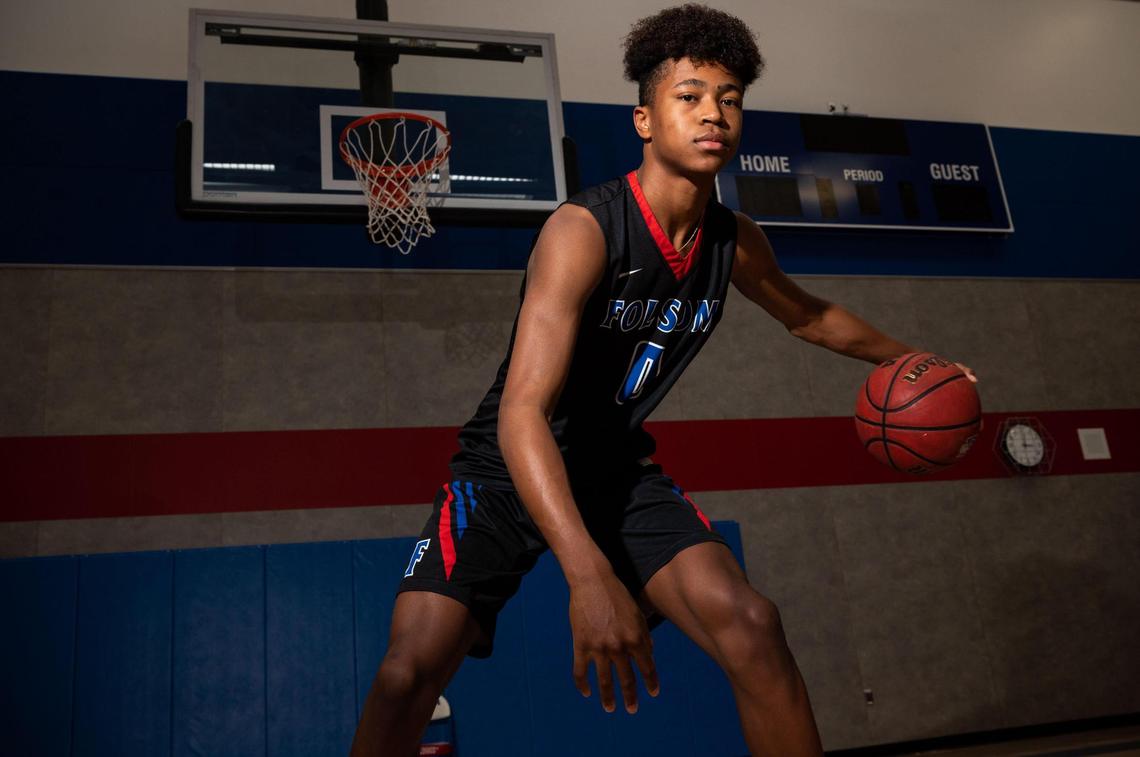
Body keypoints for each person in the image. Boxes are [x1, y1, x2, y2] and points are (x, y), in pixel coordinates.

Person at [351, 5, 974, 756]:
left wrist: (916, 361)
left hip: (613, 470)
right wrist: (587, 576)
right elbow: (522, 413)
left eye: (730, 98)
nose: (714, 113)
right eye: (690, 96)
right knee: (404, 674)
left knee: (752, 625)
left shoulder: (734, 241)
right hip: (506, 468)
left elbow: (809, 317)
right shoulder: (583, 230)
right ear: (645, 119)